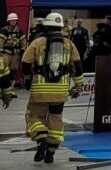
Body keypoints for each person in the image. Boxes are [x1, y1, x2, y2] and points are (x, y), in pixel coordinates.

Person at [22, 12, 84, 164]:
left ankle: (41, 139)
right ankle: (51, 151)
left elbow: (25, 62)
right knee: (56, 119)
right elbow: (77, 66)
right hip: (60, 91)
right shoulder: (69, 44)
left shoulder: (37, 42)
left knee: (34, 116)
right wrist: (78, 85)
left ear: (46, 26)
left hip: (40, 90)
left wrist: (28, 79)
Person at [0, 12, 25, 87]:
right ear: (9, 21)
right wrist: (1, 52)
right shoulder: (4, 30)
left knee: (13, 71)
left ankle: (11, 88)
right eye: (12, 20)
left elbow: (22, 41)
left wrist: (23, 50)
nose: (13, 21)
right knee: (4, 70)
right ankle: (4, 87)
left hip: (15, 54)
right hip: (6, 53)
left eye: (14, 20)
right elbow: (1, 41)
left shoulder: (19, 31)